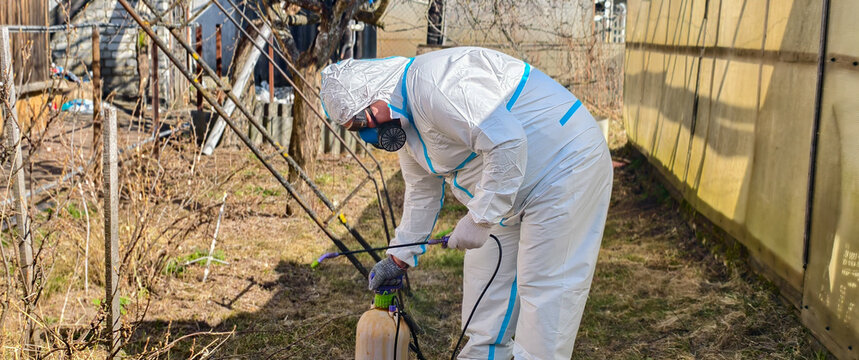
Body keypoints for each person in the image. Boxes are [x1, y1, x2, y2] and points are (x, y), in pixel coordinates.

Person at [320, 47, 613, 360]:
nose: (369, 133)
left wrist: (481, 218)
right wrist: (398, 258)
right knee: (484, 292)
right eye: (355, 128)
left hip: (563, 166)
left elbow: (506, 140)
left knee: (544, 292)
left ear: (375, 92)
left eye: (364, 120)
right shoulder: (404, 121)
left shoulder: (435, 85)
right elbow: (421, 191)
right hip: (507, 188)